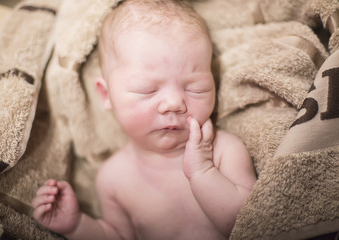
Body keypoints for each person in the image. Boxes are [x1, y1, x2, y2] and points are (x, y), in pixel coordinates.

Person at [32, 0, 257, 239]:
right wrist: (77, 226)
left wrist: (203, 171)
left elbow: (254, 224)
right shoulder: (114, 177)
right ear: (106, 95)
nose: (173, 103)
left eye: (196, 88)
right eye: (148, 90)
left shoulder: (224, 150)